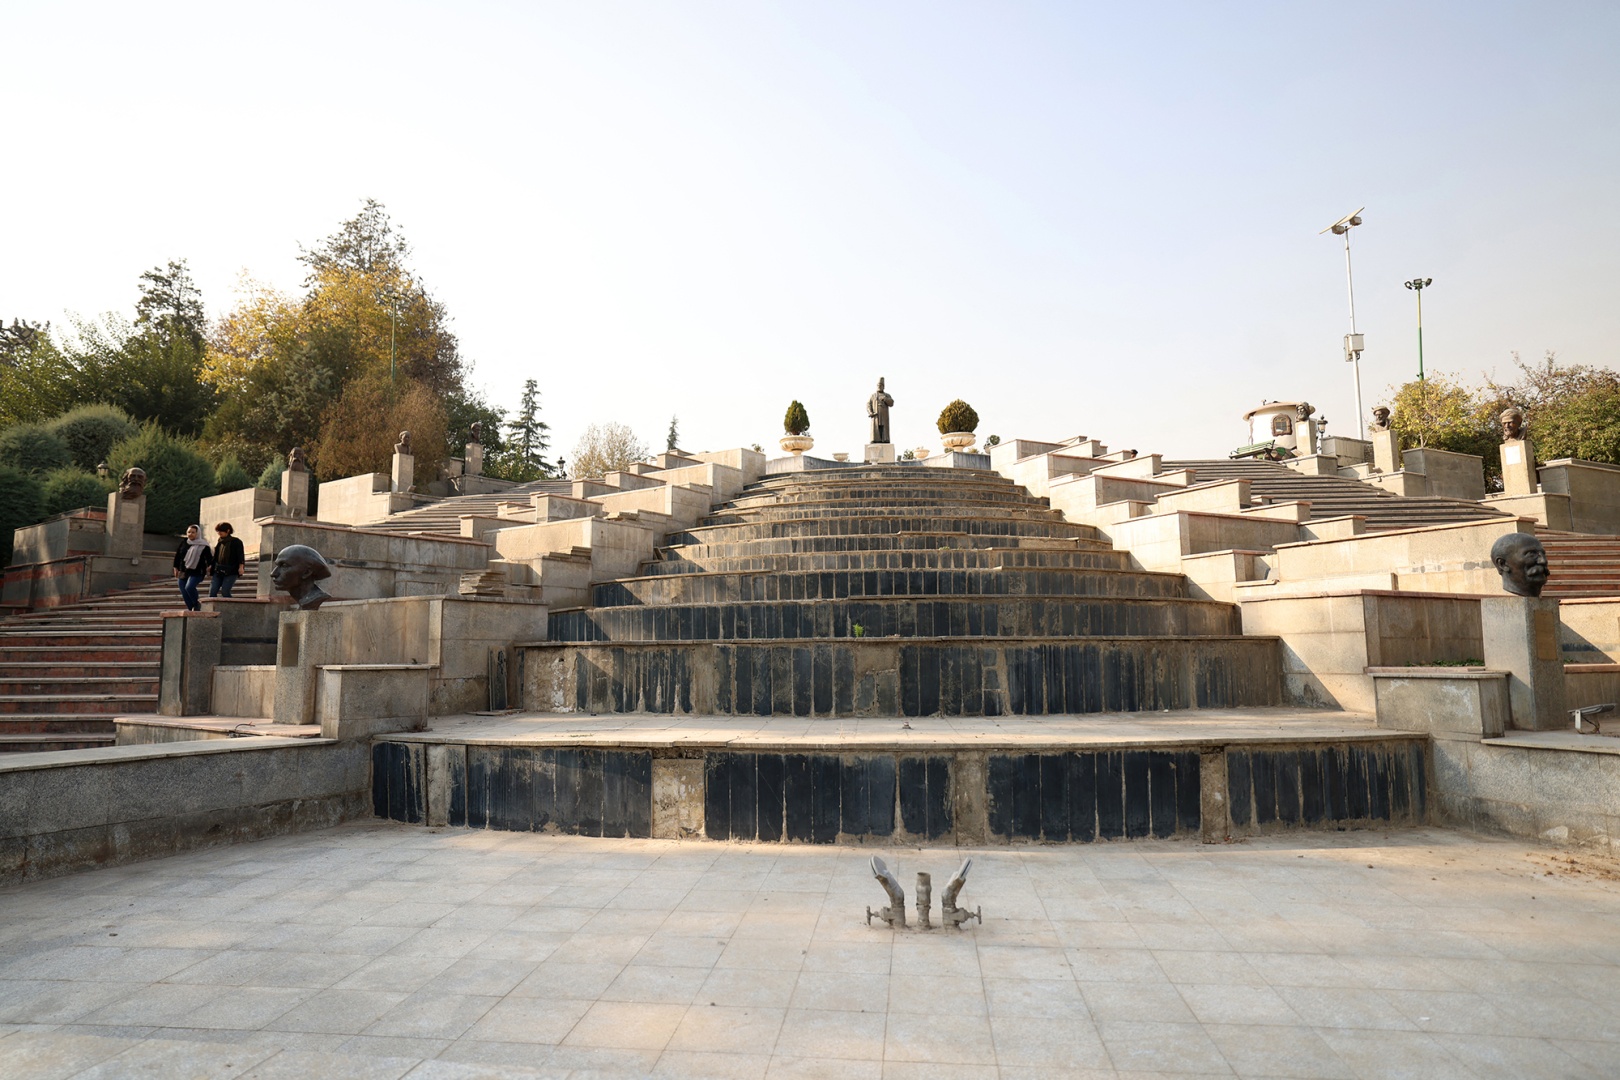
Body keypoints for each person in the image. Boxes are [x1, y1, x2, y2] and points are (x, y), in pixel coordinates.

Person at [173, 525, 214, 611]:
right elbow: (178, 556)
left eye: (193, 532)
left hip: (197, 571)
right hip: (184, 570)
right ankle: (191, 608)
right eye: (189, 532)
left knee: (189, 587)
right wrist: (175, 567)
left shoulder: (204, 545)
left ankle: (196, 605)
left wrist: (210, 567)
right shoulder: (184, 543)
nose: (190, 534)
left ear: (197, 533)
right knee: (184, 591)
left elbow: (209, 558)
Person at [210, 522, 246, 598]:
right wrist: (211, 567)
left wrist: (241, 566)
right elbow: (216, 557)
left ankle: (230, 607)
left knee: (225, 591)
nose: (219, 533)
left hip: (231, 570)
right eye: (218, 531)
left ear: (228, 531)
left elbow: (240, 555)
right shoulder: (219, 542)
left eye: (221, 531)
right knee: (212, 591)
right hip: (218, 569)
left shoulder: (236, 542)